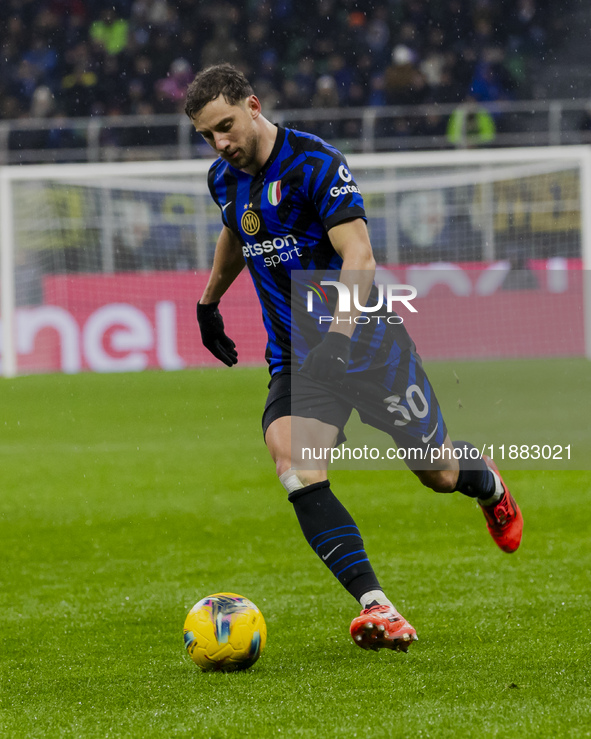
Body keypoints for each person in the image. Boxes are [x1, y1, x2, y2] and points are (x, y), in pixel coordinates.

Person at [184, 64, 523, 653]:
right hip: (297, 358)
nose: (221, 144)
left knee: (438, 473)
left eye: (226, 127)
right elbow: (239, 230)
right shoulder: (224, 178)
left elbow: (359, 255)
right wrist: (209, 300)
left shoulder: (316, 163)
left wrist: (339, 338)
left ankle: (488, 483)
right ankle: (380, 608)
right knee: (292, 459)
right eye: (208, 135)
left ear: (254, 105)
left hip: (367, 348)